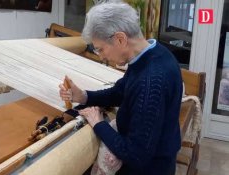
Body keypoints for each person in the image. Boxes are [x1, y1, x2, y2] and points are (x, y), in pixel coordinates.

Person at [59, 1, 182, 175]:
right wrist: (84, 96)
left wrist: (99, 123)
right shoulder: (153, 54)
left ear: (120, 39)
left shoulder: (151, 79)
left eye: (101, 49)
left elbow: (137, 156)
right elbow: (120, 92)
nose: (102, 56)